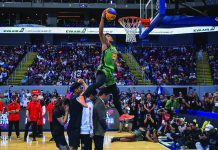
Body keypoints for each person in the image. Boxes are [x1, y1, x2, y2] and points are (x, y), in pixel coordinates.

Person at [76, 9, 133, 120]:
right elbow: (101, 32)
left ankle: (122, 114)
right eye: (106, 36)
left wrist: (117, 65)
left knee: (116, 93)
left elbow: (113, 61)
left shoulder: (114, 49)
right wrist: (102, 18)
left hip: (110, 74)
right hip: (103, 70)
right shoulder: (105, 44)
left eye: (108, 35)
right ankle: (82, 96)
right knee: (98, 83)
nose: (108, 36)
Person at [68, 79, 88, 150]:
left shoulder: (72, 97)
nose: (81, 89)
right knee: (72, 147)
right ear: (76, 90)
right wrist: (83, 82)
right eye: (80, 88)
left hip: (74, 125)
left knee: (75, 146)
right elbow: (87, 90)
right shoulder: (77, 98)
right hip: (74, 126)